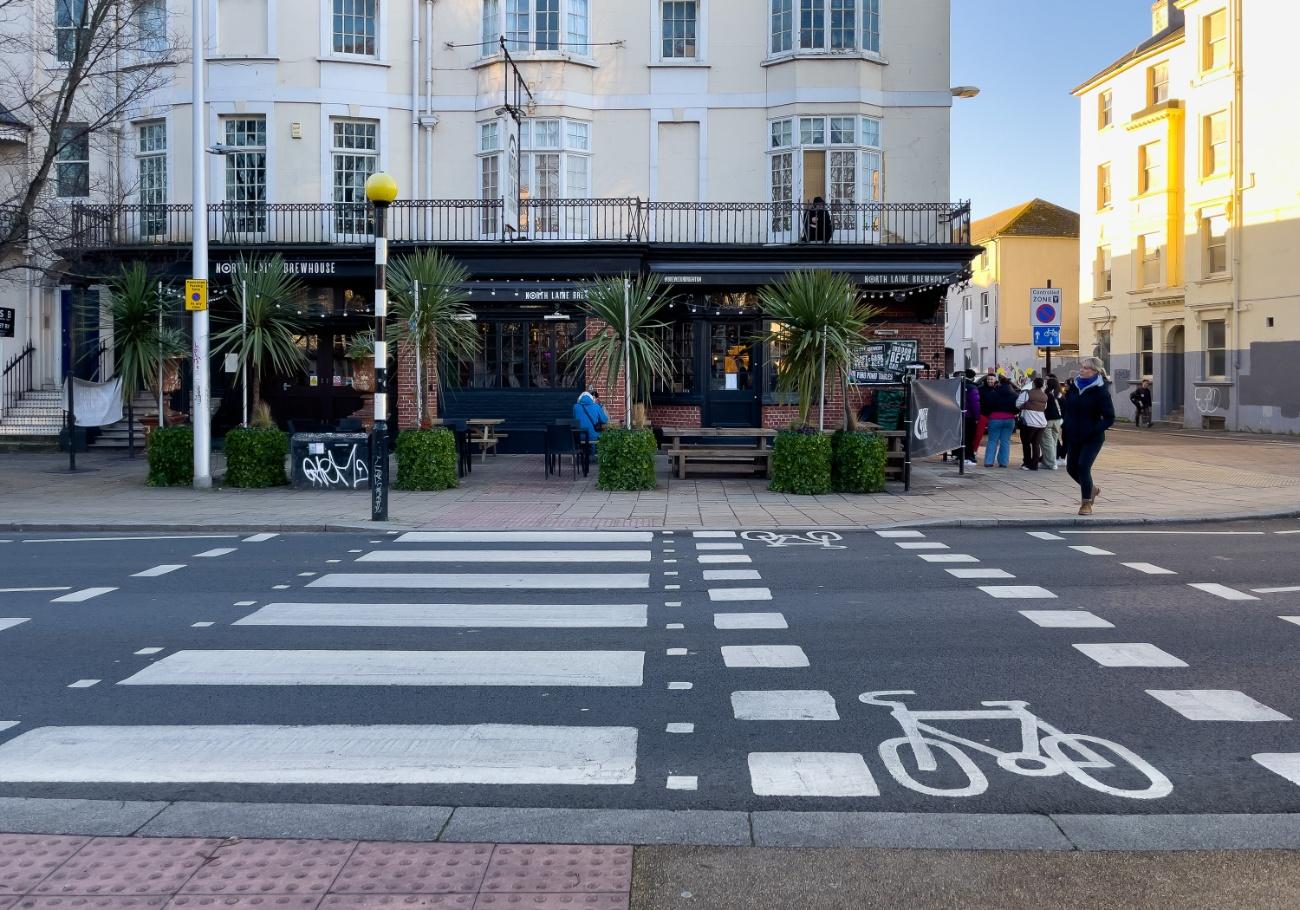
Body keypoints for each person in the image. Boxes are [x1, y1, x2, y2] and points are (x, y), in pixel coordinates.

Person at [1061, 357, 1115, 515]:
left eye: (1086, 368)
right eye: (1082, 367)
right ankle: (1092, 489)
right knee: (1071, 468)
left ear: (1095, 371)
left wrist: (1094, 430)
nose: (1082, 370)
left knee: (1083, 466)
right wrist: (1066, 425)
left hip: (1092, 437)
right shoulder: (1074, 387)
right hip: (1074, 435)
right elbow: (1068, 409)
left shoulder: (1101, 391)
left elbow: (1109, 417)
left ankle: (1086, 503)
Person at [983, 374, 1019, 468]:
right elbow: (1018, 407)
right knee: (1005, 441)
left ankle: (989, 462)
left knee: (992, 440)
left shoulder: (993, 393)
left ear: (999, 383)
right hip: (1010, 420)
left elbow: (987, 406)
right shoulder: (1014, 395)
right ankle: (1003, 463)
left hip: (995, 419)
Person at [1016, 377, 1049, 470]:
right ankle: (1034, 465)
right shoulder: (1044, 395)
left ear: (1033, 384)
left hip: (1029, 422)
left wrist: (1025, 406)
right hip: (1042, 423)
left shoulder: (1027, 393)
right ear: (1042, 385)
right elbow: (1044, 407)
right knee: (1036, 444)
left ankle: (1027, 463)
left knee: (1026, 443)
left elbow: (1018, 404)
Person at [572, 388, 609, 460]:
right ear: (592, 398)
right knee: (598, 434)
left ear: (579, 398)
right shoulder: (597, 406)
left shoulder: (575, 407)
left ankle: (583, 456)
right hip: (593, 436)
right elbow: (604, 420)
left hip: (579, 437)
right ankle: (595, 455)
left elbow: (574, 419)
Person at [1041, 375, 1064, 471]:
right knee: (1054, 442)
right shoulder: (1059, 394)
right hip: (1058, 420)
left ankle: (1051, 463)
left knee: (1047, 442)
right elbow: (1064, 405)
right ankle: (1050, 461)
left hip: (1048, 419)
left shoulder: (1046, 394)